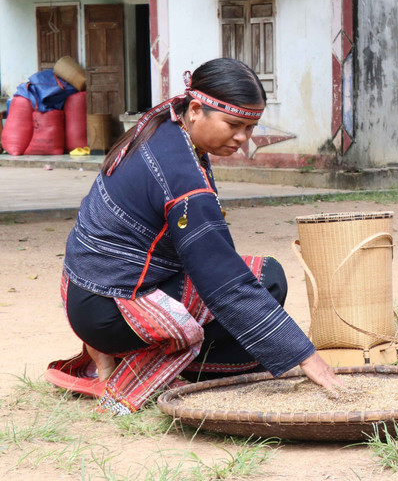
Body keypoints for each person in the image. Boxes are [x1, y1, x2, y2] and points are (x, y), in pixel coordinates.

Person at [45, 58, 342, 415]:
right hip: (112, 310)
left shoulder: (163, 124)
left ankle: (113, 353)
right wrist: (303, 355)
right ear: (198, 109)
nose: (243, 139)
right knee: (267, 284)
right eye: (234, 125)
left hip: (84, 291)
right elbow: (225, 282)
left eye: (251, 128)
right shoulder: (183, 178)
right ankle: (152, 368)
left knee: (254, 298)